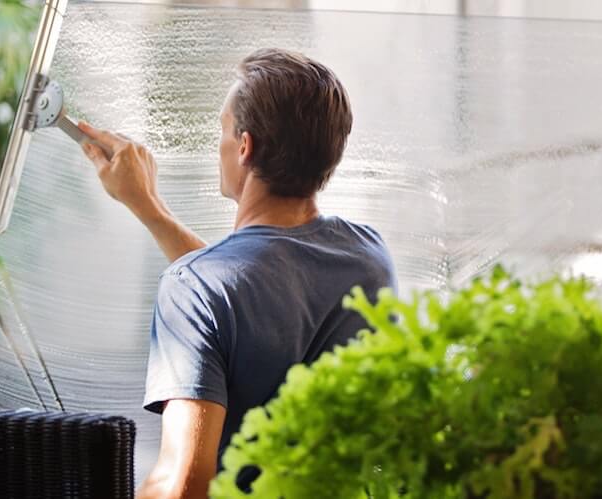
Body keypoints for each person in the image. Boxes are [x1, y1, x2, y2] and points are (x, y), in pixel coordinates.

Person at [78, 48, 396, 499]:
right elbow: (257, 286)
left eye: (222, 130)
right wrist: (149, 208)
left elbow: (185, 483)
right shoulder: (369, 257)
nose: (220, 144)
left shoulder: (195, 288)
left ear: (245, 147)